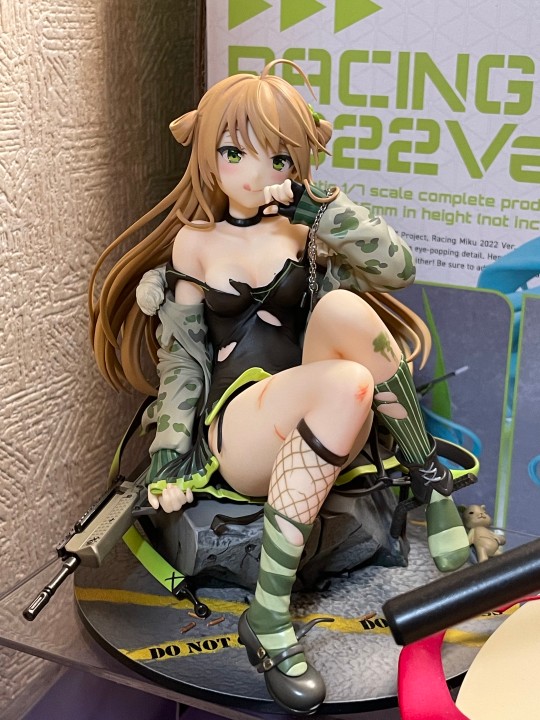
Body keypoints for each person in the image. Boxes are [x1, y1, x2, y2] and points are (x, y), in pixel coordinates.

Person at [89, 60, 470, 713]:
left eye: (279, 156)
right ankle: (268, 615)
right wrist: (169, 456)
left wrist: (324, 208)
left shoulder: (305, 230)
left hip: (319, 405)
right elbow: (183, 363)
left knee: (346, 312)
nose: (255, 172)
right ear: (208, 156)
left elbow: (399, 268)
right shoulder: (195, 245)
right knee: (345, 380)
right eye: (234, 152)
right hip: (240, 431)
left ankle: (429, 481)